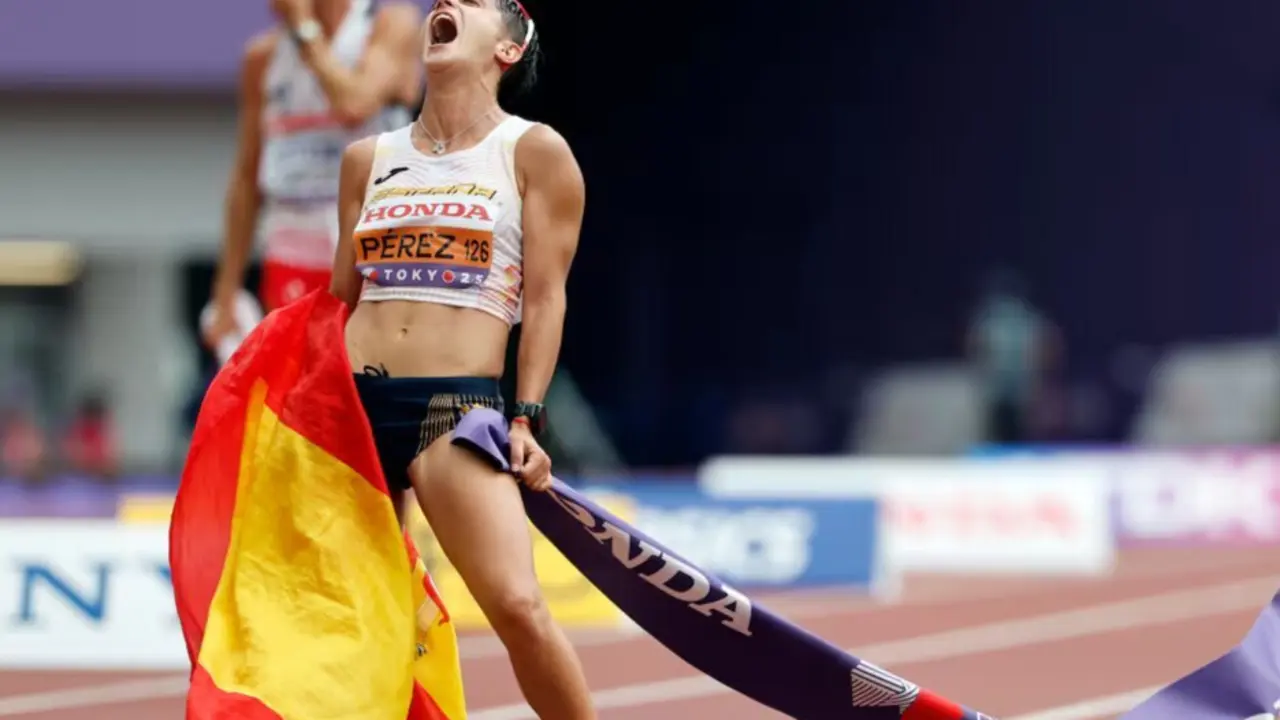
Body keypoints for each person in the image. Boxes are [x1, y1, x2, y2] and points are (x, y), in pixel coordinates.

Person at [328, 0, 595, 717]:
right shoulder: (368, 160)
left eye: (472, 3)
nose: (446, 4)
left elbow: (544, 300)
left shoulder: (533, 152)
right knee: (344, 621)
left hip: (453, 408)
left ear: (506, 52)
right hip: (352, 409)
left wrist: (527, 417)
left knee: (516, 605)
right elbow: (336, 305)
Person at [203, 0, 424, 350]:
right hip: (293, 256)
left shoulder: (390, 24)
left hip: (374, 258)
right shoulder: (262, 58)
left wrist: (305, 29)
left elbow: (354, 103)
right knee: (301, 395)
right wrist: (226, 290)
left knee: (364, 390)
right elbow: (247, 176)